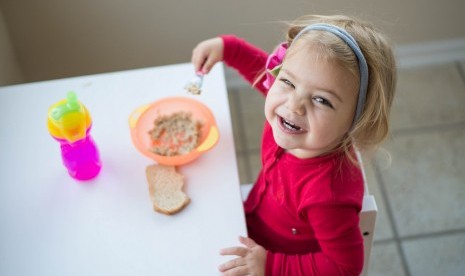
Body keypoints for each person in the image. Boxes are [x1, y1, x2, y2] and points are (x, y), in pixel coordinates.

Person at [191, 14, 396, 275]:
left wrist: (269, 265)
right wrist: (228, 48)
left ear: (356, 121)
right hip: (251, 223)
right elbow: (259, 67)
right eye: (287, 81)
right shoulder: (290, 116)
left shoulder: (328, 194)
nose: (294, 105)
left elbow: (345, 267)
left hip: (276, 260)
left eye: (322, 100)